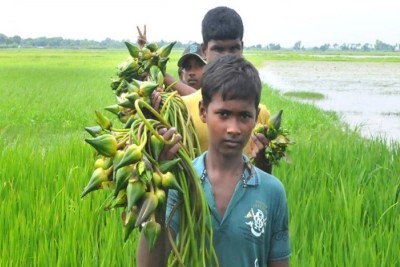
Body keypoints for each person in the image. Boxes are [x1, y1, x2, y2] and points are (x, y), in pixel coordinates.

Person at [137, 54, 291, 267]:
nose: (234, 129)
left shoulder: (272, 191)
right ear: (203, 111)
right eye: (223, 114)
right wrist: (156, 189)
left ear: (256, 117)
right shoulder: (180, 183)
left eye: (244, 116)